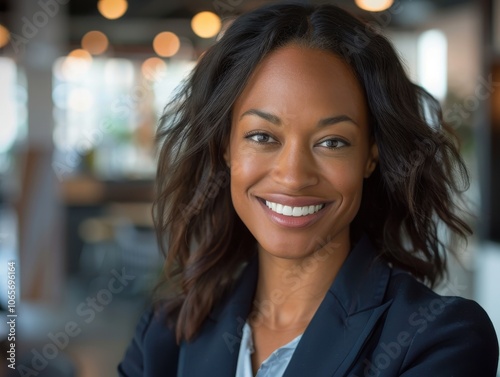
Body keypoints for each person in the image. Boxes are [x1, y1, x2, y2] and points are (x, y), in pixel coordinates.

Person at [118, 3, 499, 376]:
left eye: (332, 142)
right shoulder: (166, 333)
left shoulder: (439, 339)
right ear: (226, 148)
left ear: (371, 155)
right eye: (263, 136)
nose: (294, 176)